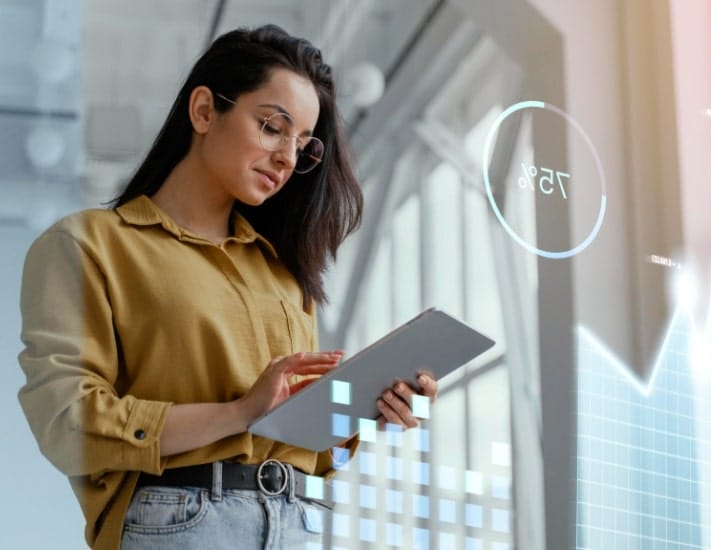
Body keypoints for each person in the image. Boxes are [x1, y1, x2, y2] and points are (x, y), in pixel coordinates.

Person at [17, 25, 437, 550]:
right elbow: (67, 422)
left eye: (303, 146)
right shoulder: (89, 246)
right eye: (271, 127)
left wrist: (369, 415)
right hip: (181, 522)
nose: (287, 157)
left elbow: (308, 450)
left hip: (296, 522)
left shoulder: (284, 275)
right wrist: (238, 413)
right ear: (203, 111)